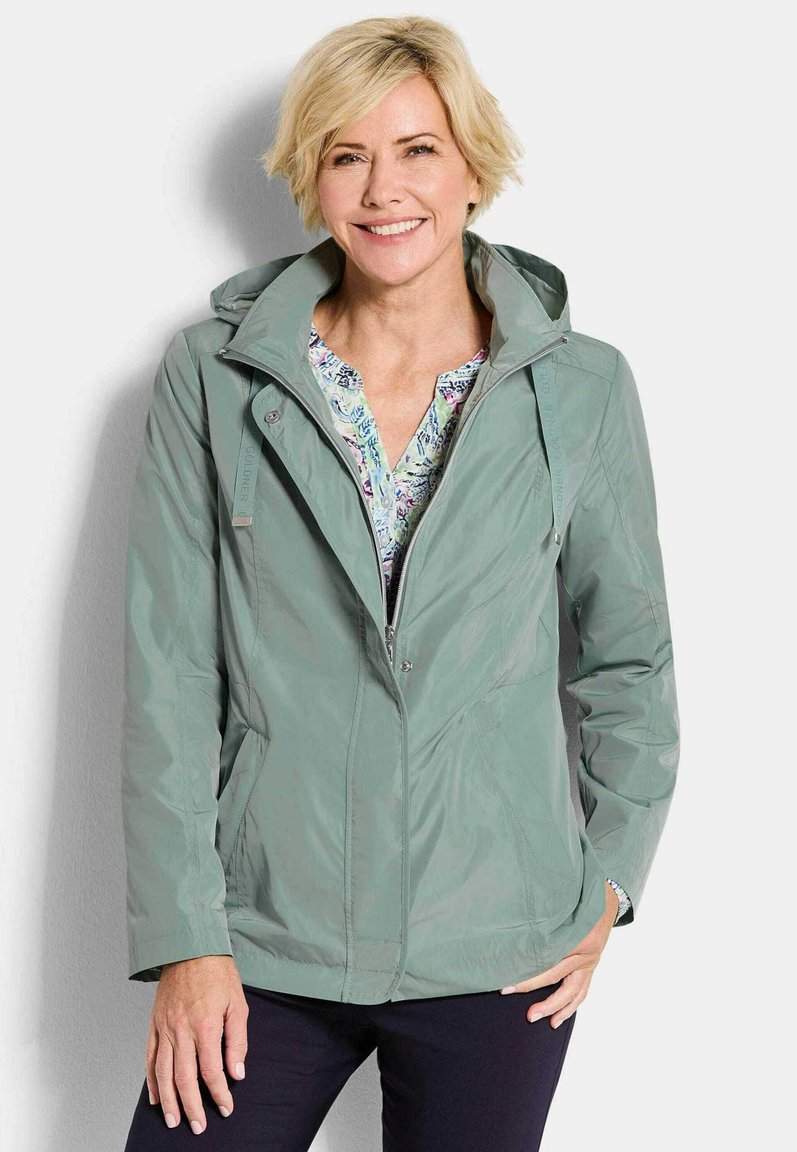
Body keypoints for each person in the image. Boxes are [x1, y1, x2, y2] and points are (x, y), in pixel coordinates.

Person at [121, 14, 680, 1150]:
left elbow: (629, 660)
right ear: (310, 179)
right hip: (262, 937)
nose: (385, 190)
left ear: (473, 165)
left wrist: (611, 882)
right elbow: (169, 673)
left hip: (501, 947)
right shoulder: (214, 379)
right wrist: (187, 938)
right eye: (347, 155)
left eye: (418, 149)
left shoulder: (579, 390)